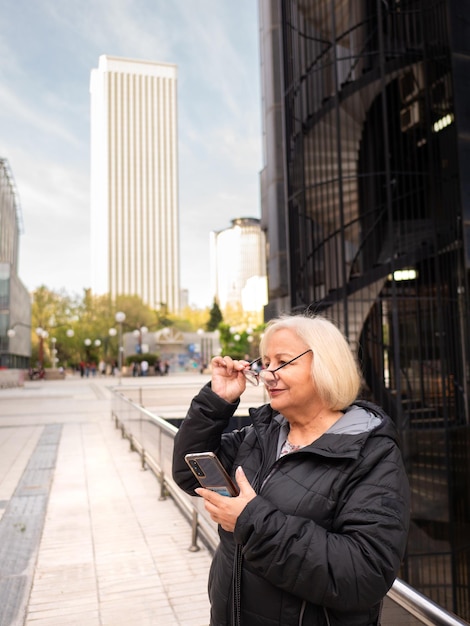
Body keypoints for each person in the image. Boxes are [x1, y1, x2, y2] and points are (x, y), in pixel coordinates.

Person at [172, 314, 410, 626]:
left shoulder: (372, 455)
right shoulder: (260, 435)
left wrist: (250, 521)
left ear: (326, 365)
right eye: (266, 362)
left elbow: (363, 574)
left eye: (282, 362)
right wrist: (215, 401)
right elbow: (189, 472)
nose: (268, 374)